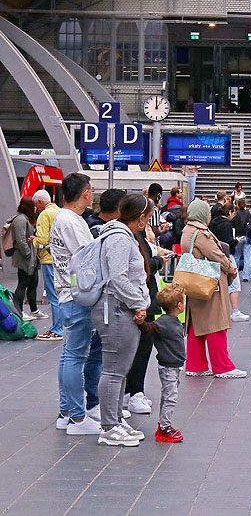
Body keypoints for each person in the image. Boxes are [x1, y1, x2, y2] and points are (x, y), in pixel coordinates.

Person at [92, 194, 151, 447]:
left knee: (120, 368)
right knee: (114, 369)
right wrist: (138, 303)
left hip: (120, 308)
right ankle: (108, 426)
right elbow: (118, 277)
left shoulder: (122, 235)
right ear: (140, 218)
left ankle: (115, 419)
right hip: (115, 309)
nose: (149, 221)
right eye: (148, 217)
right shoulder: (119, 238)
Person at [51, 173, 104, 436]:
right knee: (75, 356)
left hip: (67, 294)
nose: (92, 195)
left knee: (69, 355)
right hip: (77, 296)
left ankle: (66, 413)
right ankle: (77, 418)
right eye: (91, 190)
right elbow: (89, 256)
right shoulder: (70, 221)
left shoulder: (65, 218)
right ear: (84, 193)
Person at [180, 200, 246, 378]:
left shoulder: (187, 230)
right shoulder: (201, 234)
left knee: (196, 324)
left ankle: (196, 364)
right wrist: (230, 267)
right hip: (208, 283)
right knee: (216, 323)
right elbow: (216, 255)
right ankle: (223, 367)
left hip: (194, 281)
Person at [124, 204, 167, 416]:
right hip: (140, 300)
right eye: (148, 217)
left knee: (139, 348)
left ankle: (130, 391)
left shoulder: (135, 235)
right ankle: (133, 393)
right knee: (139, 349)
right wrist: (159, 260)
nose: (150, 221)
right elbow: (141, 266)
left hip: (143, 299)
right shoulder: (130, 236)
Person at [137, 283, 186, 443]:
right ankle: (165, 428)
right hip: (169, 367)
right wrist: (141, 322)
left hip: (174, 366)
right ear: (180, 306)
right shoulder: (164, 323)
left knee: (168, 395)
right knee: (170, 397)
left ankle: (164, 425)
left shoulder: (170, 320)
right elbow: (149, 328)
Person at [210, 202, 250, 322]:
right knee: (234, 283)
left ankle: (218, 311)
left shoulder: (213, 223)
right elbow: (227, 242)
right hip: (227, 255)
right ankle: (235, 311)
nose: (234, 215)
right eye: (233, 212)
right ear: (229, 212)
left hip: (215, 255)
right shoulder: (227, 225)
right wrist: (235, 241)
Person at [33, 189, 62, 341]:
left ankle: (57, 329)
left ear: (40, 202)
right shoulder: (59, 211)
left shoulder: (44, 215)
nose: (36, 209)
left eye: (36, 206)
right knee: (61, 294)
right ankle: (60, 326)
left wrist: (34, 240)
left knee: (52, 295)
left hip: (48, 260)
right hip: (60, 260)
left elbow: (43, 240)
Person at [10, 196, 42, 321]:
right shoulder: (21, 220)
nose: (35, 208)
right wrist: (28, 254)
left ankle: (34, 310)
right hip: (24, 258)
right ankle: (20, 312)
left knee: (33, 282)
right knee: (23, 284)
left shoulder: (26, 219)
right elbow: (21, 240)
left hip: (31, 258)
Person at [232, 197, 251, 282]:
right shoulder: (249, 213)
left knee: (236, 256)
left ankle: (235, 274)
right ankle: (246, 276)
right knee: (248, 256)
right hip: (247, 236)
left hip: (238, 236)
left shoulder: (235, 214)